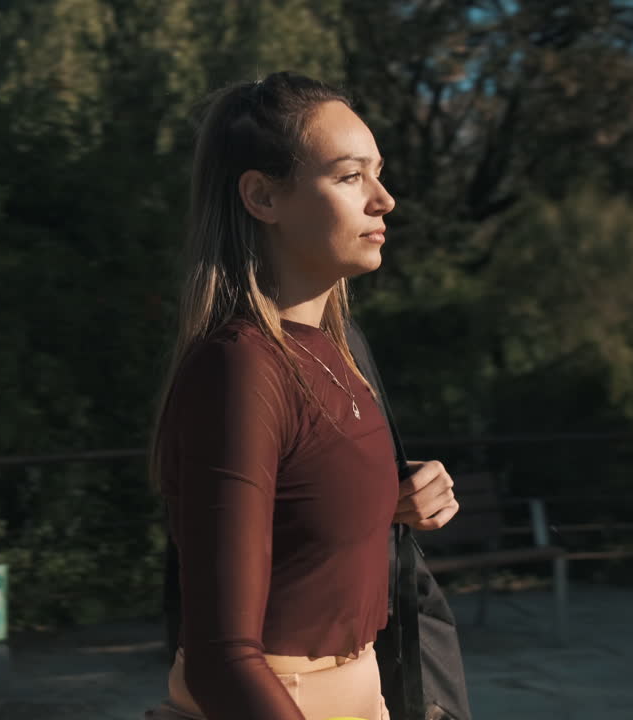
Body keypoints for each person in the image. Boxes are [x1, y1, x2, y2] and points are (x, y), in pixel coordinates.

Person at [143, 72, 459, 720]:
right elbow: (220, 659)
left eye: (378, 173)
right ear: (262, 196)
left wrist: (395, 496)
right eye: (350, 177)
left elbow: (305, 501)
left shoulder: (340, 351)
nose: (385, 200)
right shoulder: (239, 368)